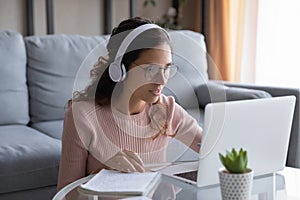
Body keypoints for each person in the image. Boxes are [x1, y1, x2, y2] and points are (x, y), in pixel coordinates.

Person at [57, 17, 202, 191]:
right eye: (151, 69)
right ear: (121, 69)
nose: (162, 80)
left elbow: (214, 148)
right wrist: (102, 173)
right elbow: (65, 194)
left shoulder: (167, 110)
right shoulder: (82, 116)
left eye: (166, 68)